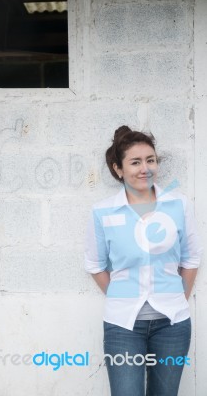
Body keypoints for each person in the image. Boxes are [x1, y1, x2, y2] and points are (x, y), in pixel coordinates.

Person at [84, 126, 202, 396]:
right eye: (135, 162)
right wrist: (119, 297)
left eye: (150, 160)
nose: (145, 168)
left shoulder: (178, 205)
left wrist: (179, 298)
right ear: (118, 169)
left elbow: (191, 257)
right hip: (123, 326)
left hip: (172, 324)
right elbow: (95, 264)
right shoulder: (103, 212)